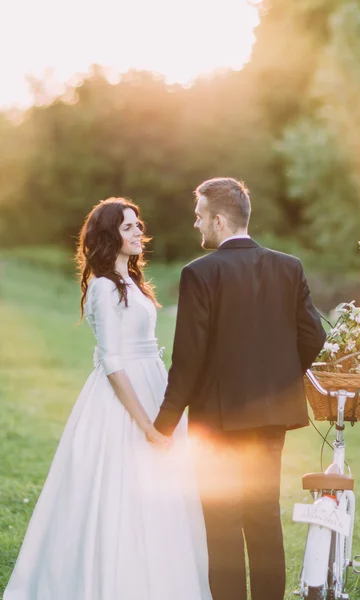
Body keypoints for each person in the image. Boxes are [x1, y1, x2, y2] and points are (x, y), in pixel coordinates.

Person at [4, 197, 212, 600]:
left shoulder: (133, 282)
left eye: (138, 224)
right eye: (128, 226)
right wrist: (147, 426)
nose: (138, 232)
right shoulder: (102, 288)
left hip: (153, 383)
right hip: (124, 397)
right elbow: (114, 363)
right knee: (121, 489)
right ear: (108, 236)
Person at [154, 178, 326, 600]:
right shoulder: (289, 266)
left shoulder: (199, 273)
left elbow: (188, 359)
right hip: (271, 415)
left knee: (224, 521)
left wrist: (163, 425)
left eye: (199, 217)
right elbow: (314, 338)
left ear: (218, 218)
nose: (197, 226)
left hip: (218, 420)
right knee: (264, 516)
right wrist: (278, 378)